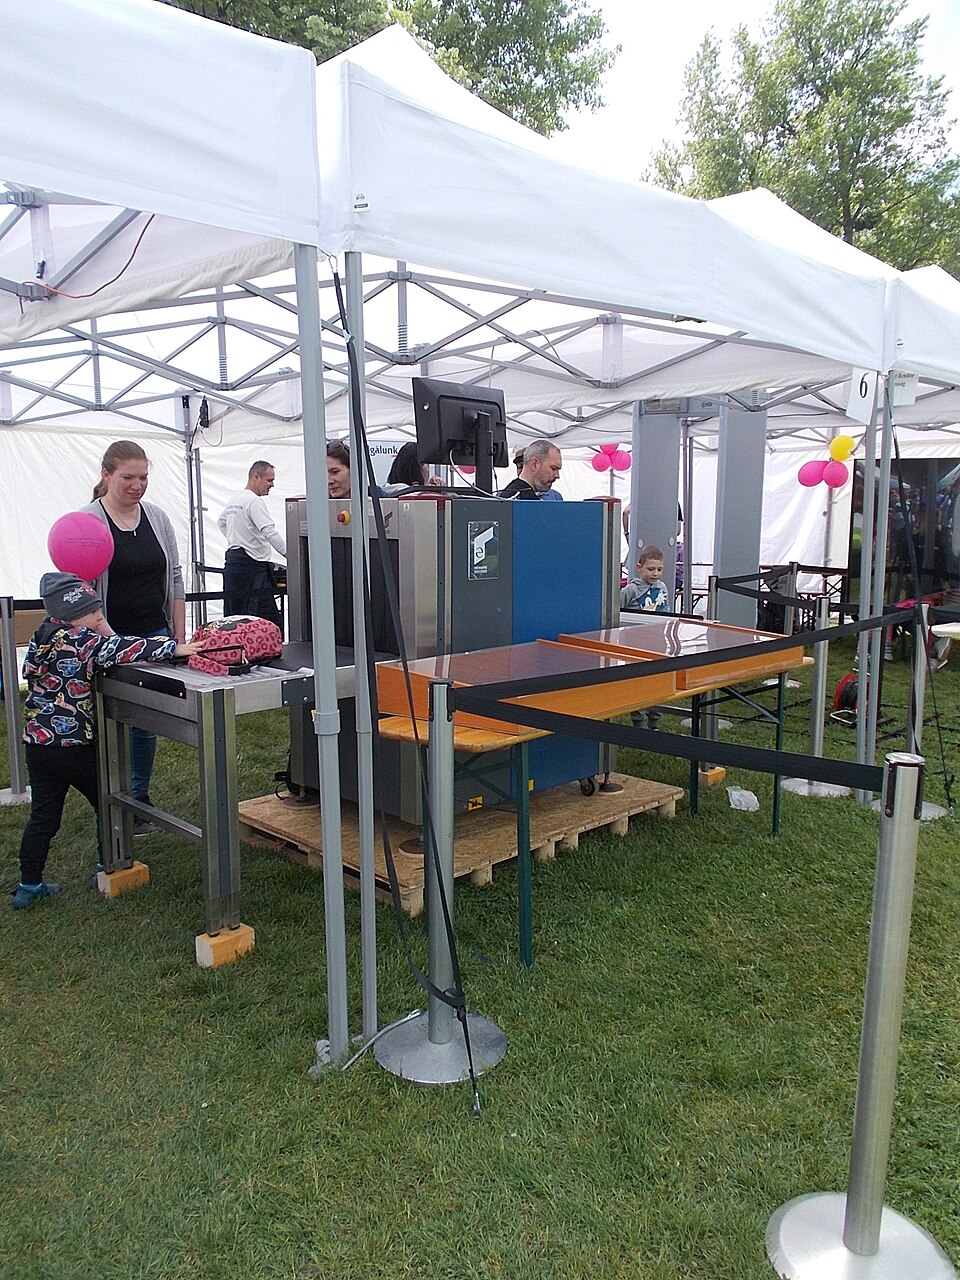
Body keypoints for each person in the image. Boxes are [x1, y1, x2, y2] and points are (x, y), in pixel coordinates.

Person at [11, 573, 202, 910]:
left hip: (38, 747)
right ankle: (109, 863)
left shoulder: (41, 636)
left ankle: (29, 884)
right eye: (93, 613)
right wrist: (174, 647)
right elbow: (123, 648)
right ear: (73, 616)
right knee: (108, 801)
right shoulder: (82, 641)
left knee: (44, 817)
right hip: (74, 747)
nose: (100, 618)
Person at [83, 439, 186, 834]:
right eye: (128, 477)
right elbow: (80, 591)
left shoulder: (157, 517)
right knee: (108, 722)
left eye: (143, 477)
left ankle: (137, 799)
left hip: (154, 635)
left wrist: (177, 635)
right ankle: (110, 798)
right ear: (106, 475)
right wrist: (112, 639)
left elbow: (175, 577)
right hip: (106, 640)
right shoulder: (88, 522)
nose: (137, 485)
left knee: (145, 723)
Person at [218, 461, 285, 629]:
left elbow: (221, 522)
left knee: (235, 621)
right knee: (267, 623)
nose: (272, 485)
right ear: (256, 477)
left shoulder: (235, 499)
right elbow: (269, 531)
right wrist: (292, 555)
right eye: (269, 480)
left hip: (233, 566)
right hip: (252, 569)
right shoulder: (254, 501)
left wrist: (237, 538)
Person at [621, 545, 670, 612]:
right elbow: (615, 611)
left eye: (659, 569)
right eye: (651, 569)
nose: (655, 573)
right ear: (639, 567)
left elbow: (666, 608)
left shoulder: (662, 587)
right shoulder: (631, 590)